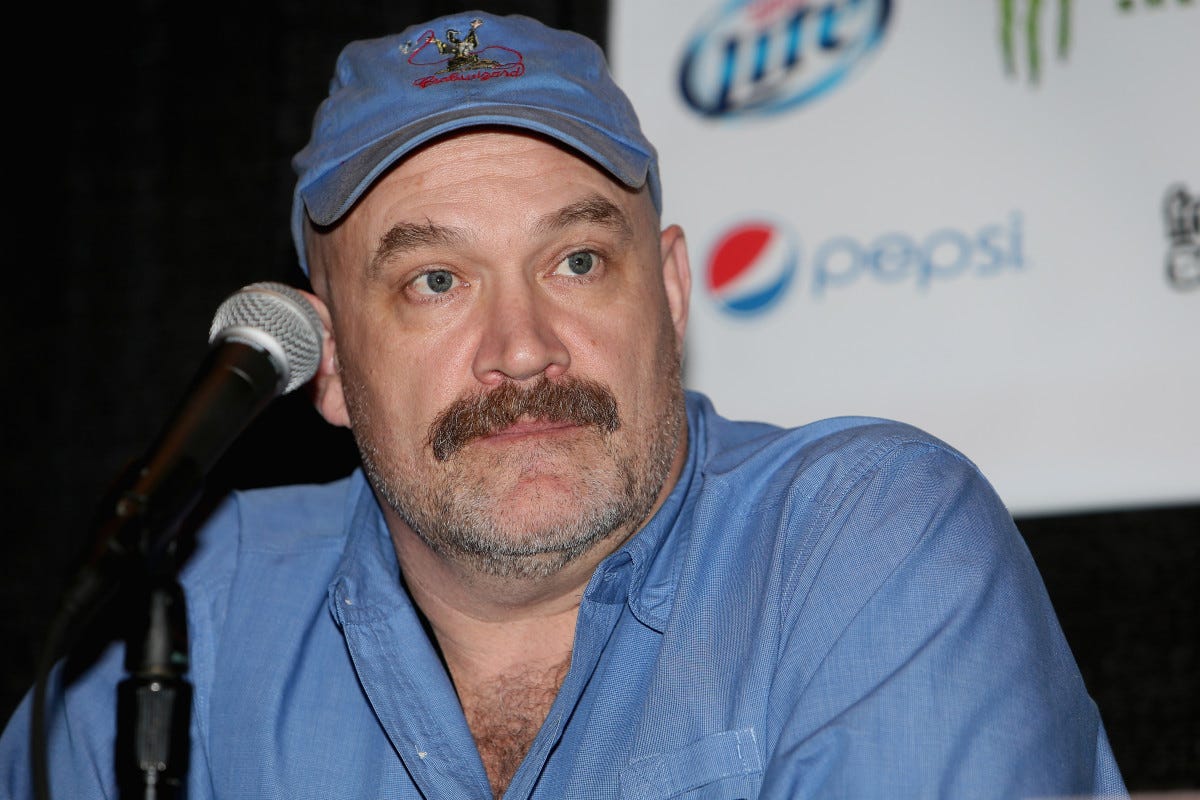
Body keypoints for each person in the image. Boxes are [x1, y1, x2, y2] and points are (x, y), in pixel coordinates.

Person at [1, 11, 1127, 800]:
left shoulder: (863, 539)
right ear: (330, 361)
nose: (524, 349)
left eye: (578, 261)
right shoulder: (191, 608)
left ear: (673, 293)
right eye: (435, 281)